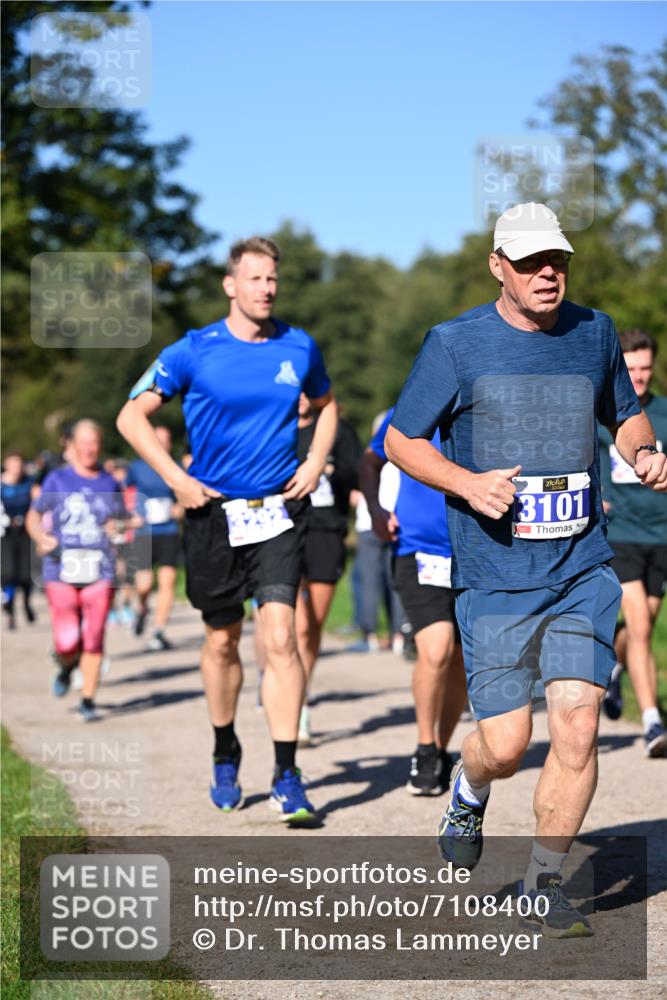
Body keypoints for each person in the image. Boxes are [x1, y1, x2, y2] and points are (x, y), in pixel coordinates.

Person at [384, 202, 667, 938]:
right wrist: (466, 483)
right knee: (505, 746)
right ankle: (468, 785)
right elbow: (400, 440)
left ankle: (545, 882)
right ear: (497, 265)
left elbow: (625, 412)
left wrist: (641, 450)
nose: (549, 273)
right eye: (533, 261)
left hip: (580, 564)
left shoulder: (594, 331)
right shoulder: (453, 344)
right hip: (495, 572)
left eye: (558, 261)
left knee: (576, 725)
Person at [116, 236, 337, 823]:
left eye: (273, 279)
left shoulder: (298, 345)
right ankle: (225, 749)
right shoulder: (194, 350)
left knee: (280, 638)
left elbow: (327, 402)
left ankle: (288, 772)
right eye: (256, 278)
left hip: (278, 513)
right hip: (211, 512)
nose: (267, 289)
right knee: (221, 640)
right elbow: (130, 415)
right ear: (231, 285)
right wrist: (174, 480)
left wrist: (314, 462)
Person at [360, 408, 468, 795]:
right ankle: (424, 746)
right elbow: (370, 460)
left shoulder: (484, 404)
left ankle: (441, 747)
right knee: (436, 649)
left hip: (473, 555)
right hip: (418, 552)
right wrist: (376, 510)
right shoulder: (407, 410)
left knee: (459, 659)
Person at [26, 420, 125, 721]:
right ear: (71, 446)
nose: (89, 449)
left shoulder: (109, 483)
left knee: (94, 635)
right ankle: (67, 664)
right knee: (68, 640)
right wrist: (40, 538)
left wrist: (118, 528)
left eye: (94, 442)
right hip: (61, 568)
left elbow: (123, 520)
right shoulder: (57, 480)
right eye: (83, 443)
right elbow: (34, 516)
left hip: (100, 568)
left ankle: (87, 699)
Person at [598, 328, 667, 755]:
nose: (638, 377)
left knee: (643, 626)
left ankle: (615, 666)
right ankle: (652, 722)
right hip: (620, 533)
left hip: (660, 535)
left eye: (645, 368)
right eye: (631, 368)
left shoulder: (663, 414)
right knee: (639, 625)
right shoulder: (604, 415)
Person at [294, 394, 361, 744]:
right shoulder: (277, 426)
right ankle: (293, 699)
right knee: (295, 621)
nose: (303, 398)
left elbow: (356, 471)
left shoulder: (337, 429)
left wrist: (330, 470)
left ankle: (300, 690)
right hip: (285, 528)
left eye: (309, 391)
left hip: (326, 530)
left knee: (313, 625)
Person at [126, 425, 184, 651]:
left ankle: (159, 629)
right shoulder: (137, 467)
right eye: (157, 439)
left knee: (168, 581)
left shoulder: (176, 468)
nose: (161, 444)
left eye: (166, 440)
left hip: (168, 530)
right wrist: (131, 514)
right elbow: (123, 493)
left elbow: (184, 496)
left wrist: (180, 508)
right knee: (145, 584)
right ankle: (142, 607)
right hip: (143, 532)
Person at [1, 451, 36, 628]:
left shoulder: (29, 484)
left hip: (26, 533)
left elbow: (37, 504)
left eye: (19, 464)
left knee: (26, 574)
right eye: (13, 464)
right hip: (5, 535)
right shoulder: (1, 485)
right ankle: (10, 610)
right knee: (9, 574)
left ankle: (27, 603)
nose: (16, 468)